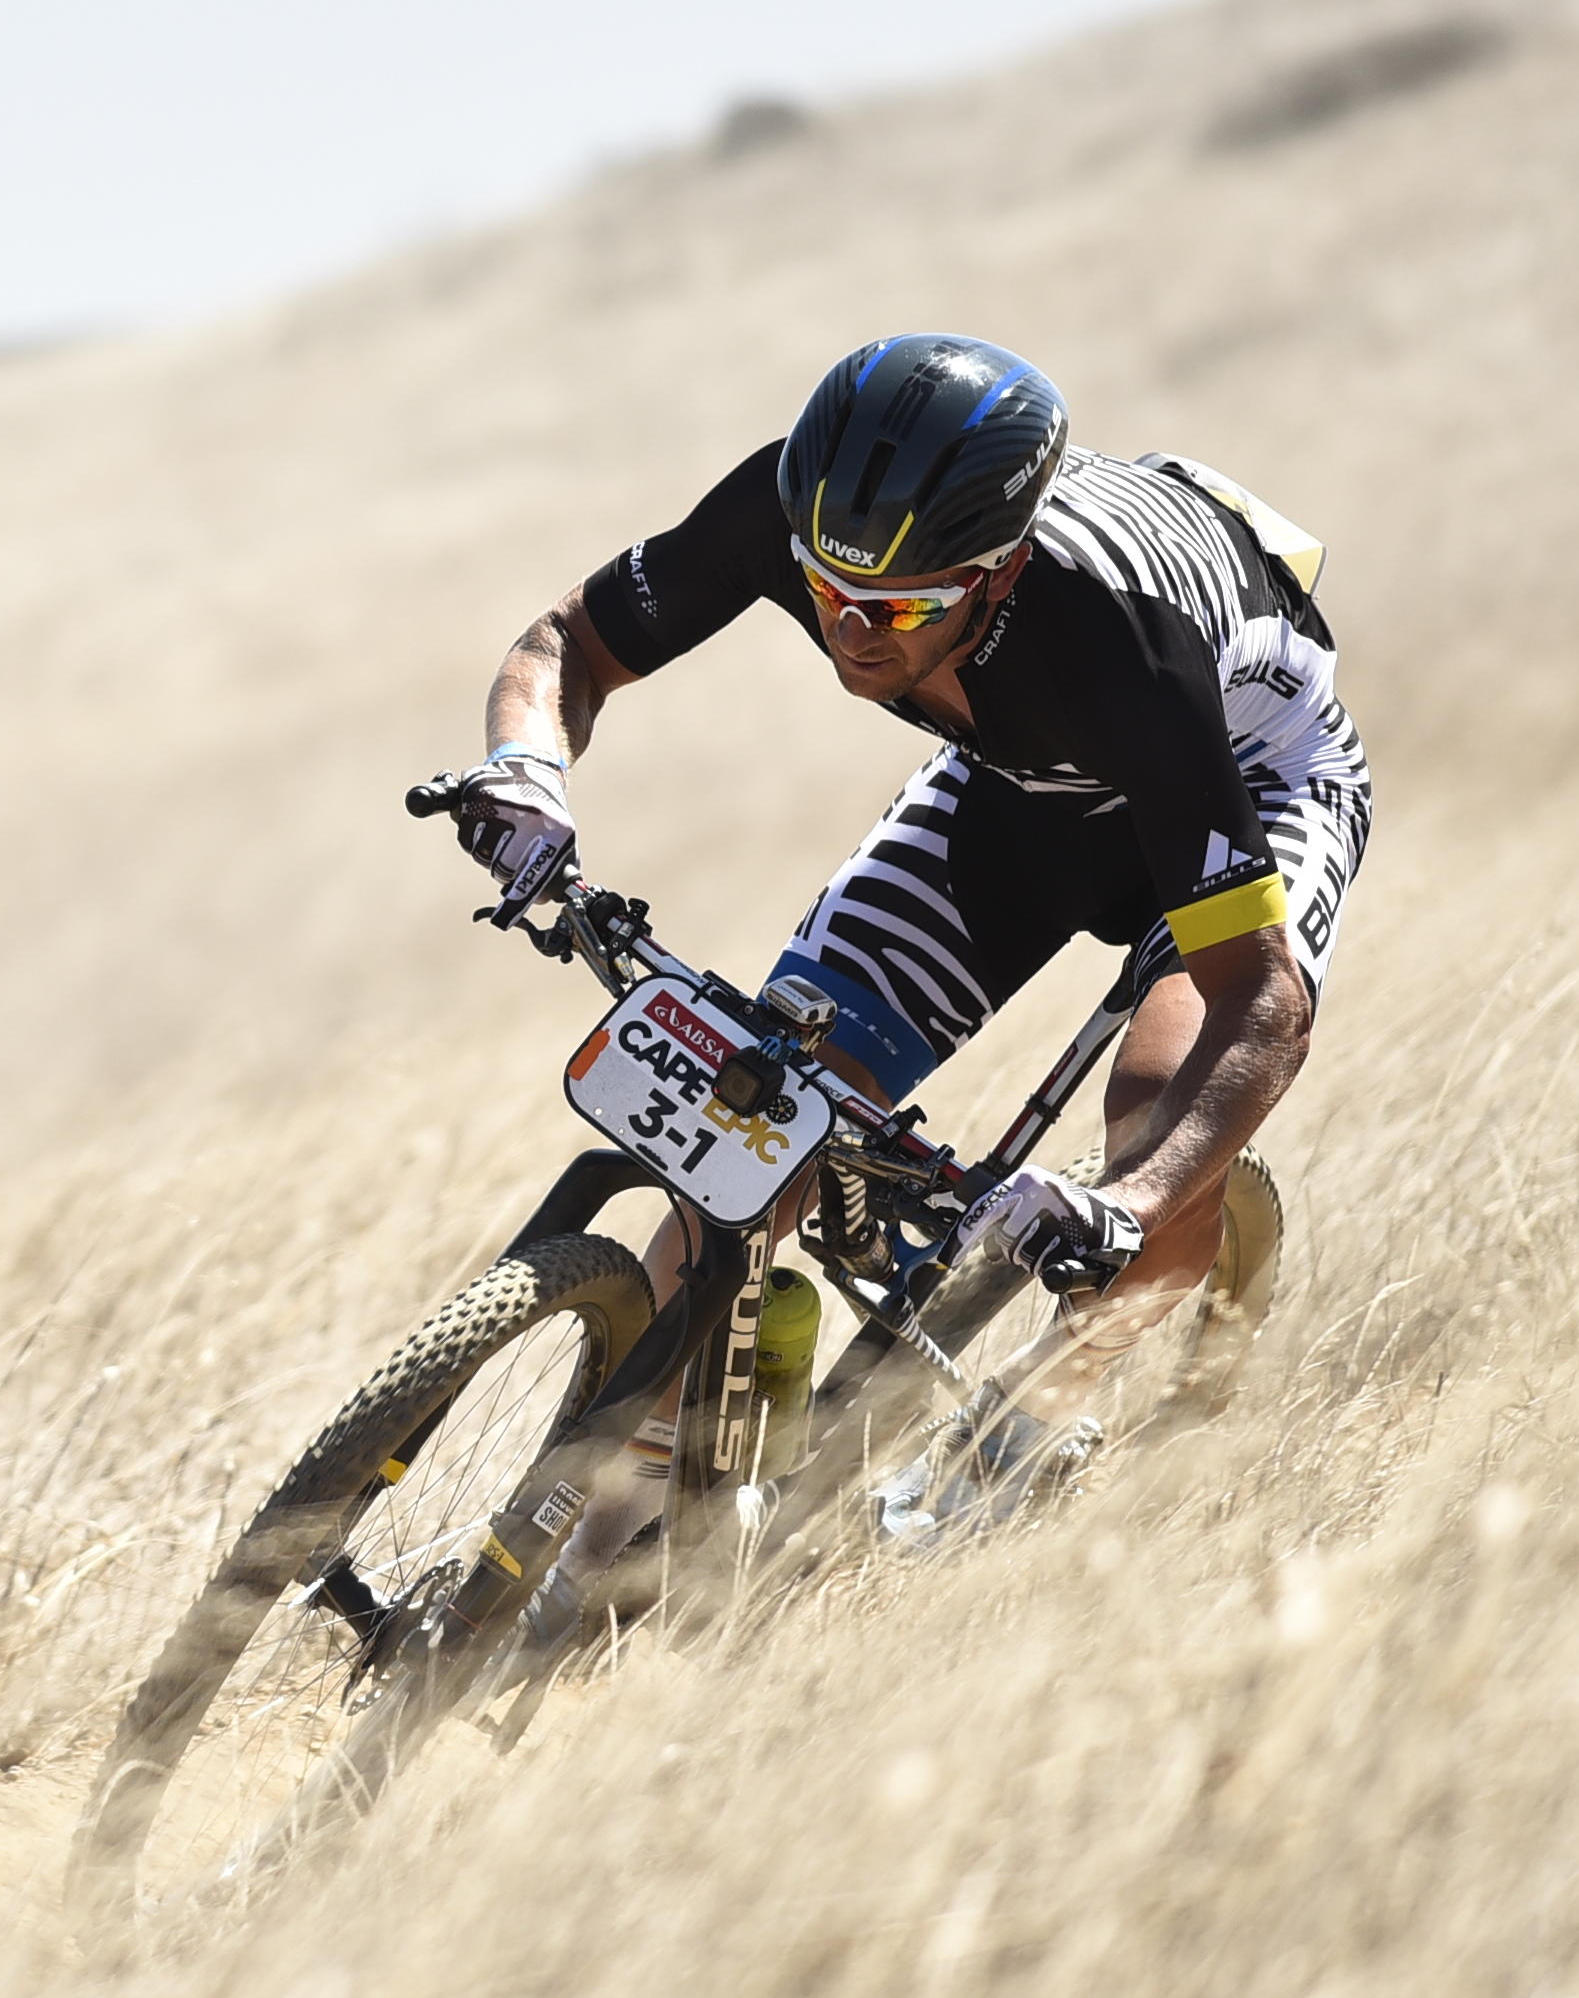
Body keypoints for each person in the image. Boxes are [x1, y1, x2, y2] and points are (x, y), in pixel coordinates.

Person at [442, 332, 1372, 1532]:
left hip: (1245, 778)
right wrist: (524, 767)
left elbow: (1262, 1004)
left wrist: (1132, 1201)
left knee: (1155, 1109)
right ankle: (628, 1526)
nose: (852, 630)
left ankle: (1050, 1402)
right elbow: (569, 642)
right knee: (754, 1117)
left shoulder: (1119, 644)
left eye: (899, 607)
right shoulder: (798, 519)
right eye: (827, 593)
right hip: (1022, 778)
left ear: (998, 571)